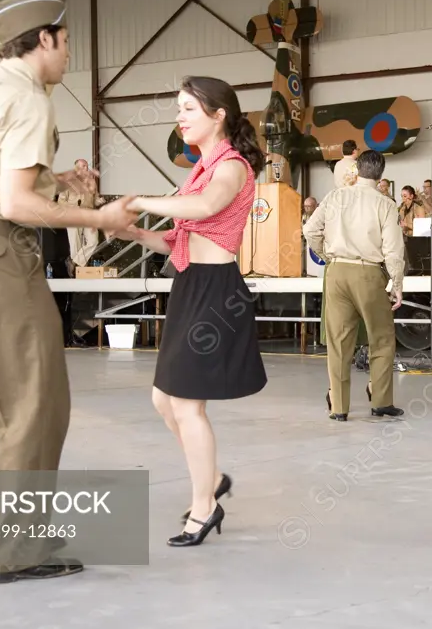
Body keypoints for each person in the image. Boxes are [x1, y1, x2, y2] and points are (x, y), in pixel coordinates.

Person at [0, 0, 137, 584]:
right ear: (44, 40)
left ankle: (1, 534)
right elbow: (17, 202)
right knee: (36, 397)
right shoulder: (30, 99)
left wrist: (61, 178)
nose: (69, 53)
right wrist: (101, 218)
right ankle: (17, 548)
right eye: (67, 40)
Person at [113, 76, 267, 547]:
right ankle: (213, 479)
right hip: (189, 284)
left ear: (218, 115)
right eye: (178, 108)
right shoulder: (200, 168)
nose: (179, 117)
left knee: (186, 403)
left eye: (188, 109)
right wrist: (133, 232)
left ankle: (204, 508)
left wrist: (138, 200)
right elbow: (178, 239)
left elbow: (205, 208)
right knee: (165, 399)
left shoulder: (232, 167)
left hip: (216, 292)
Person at [303, 149, 405, 422]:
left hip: (336, 272)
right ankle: (381, 402)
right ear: (381, 175)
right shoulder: (386, 204)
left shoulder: (336, 196)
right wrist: (397, 282)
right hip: (369, 273)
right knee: (381, 339)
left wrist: (326, 255)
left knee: (338, 343)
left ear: (357, 169)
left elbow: (310, 230)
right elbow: (393, 250)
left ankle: (339, 408)